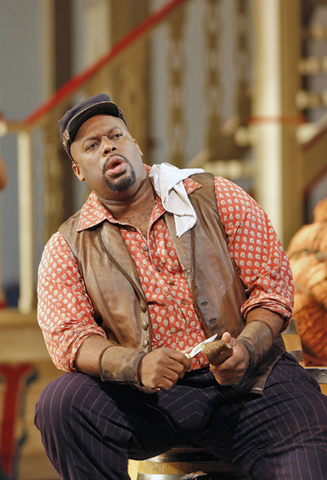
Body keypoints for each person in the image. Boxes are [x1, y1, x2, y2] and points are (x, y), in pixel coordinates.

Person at [35, 93, 327, 480]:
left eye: (115, 136)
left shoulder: (216, 195)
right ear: (78, 171)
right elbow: (70, 339)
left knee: (308, 419)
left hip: (245, 383)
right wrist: (136, 365)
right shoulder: (68, 245)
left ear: (135, 146)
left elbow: (271, 288)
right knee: (60, 405)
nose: (108, 146)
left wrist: (248, 347)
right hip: (145, 398)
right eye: (92, 145)